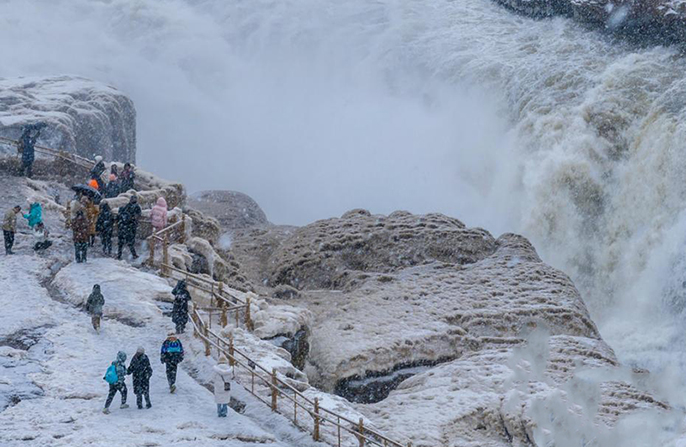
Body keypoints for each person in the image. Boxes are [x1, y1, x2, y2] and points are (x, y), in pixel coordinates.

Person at [116, 195, 141, 260]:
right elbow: (138, 215)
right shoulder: (137, 207)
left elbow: (117, 219)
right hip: (130, 227)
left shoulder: (126, 208)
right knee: (130, 242)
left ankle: (119, 255)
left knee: (120, 243)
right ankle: (134, 255)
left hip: (123, 227)